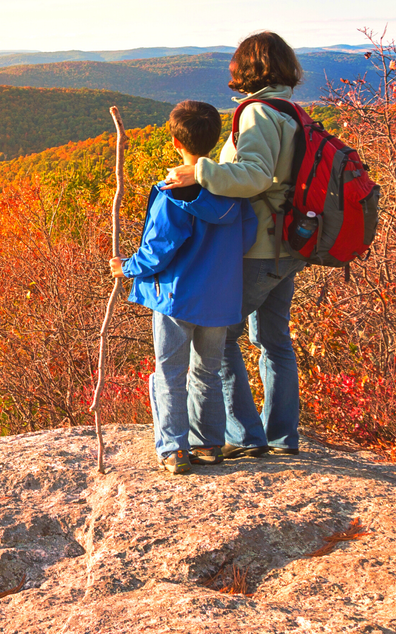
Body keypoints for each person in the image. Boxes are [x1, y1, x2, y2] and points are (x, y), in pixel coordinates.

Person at [161, 31, 305, 457]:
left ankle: (248, 437)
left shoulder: (258, 112)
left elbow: (255, 175)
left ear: (249, 66)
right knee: (274, 339)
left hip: (260, 245)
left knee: (219, 337)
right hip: (289, 244)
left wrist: (199, 172)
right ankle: (282, 437)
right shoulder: (291, 110)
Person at [111, 100, 257, 474]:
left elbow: (158, 250)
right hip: (221, 299)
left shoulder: (171, 194)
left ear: (176, 142)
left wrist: (126, 267)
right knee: (207, 372)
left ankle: (174, 448)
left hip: (176, 298)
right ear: (214, 141)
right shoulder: (234, 191)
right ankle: (208, 444)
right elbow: (248, 237)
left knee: (169, 373)